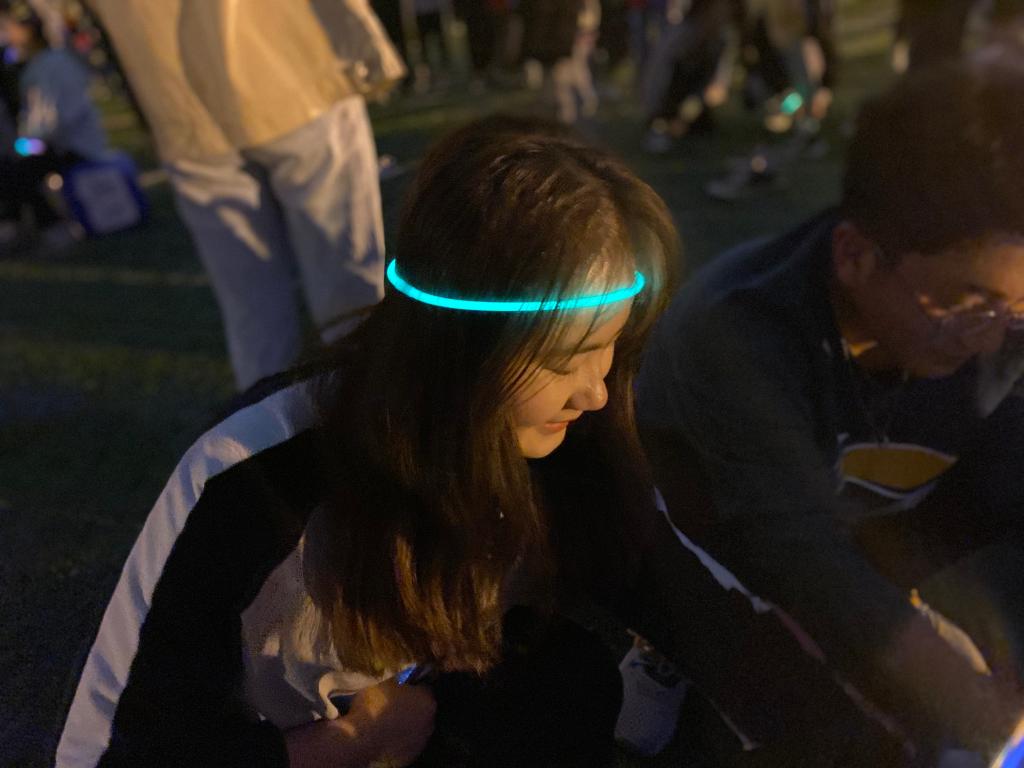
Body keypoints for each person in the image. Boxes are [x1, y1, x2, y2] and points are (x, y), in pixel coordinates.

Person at [56, 116, 905, 768]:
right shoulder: (252, 477)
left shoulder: (569, 442)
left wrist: (875, 741)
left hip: (422, 713)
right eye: (566, 358)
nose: (596, 391)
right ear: (459, 350)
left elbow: (696, 608)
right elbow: (110, 750)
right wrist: (349, 744)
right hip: (289, 748)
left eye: (611, 349)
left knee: (565, 678)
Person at [636, 47, 1024, 763]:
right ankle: (667, 663)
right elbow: (797, 552)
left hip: (875, 529)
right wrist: (961, 694)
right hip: (731, 551)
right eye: (970, 302)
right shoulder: (739, 335)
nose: (995, 335)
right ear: (855, 256)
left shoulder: (999, 326)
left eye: (1019, 305)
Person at [84, 0, 405, 392]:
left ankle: (267, 424)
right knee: (345, 281)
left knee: (254, 313)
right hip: (291, 69)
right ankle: (365, 408)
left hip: (174, 93)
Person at [0, 0, 107, 248]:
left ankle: (50, 227)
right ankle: (16, 223)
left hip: (71, 144)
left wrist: (24, 145)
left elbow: (49, 123)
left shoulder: (50, 64)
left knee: (16, 168)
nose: (6, 34)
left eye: (10, 27)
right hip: (56, 141)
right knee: (11, 162)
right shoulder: (40, 63)